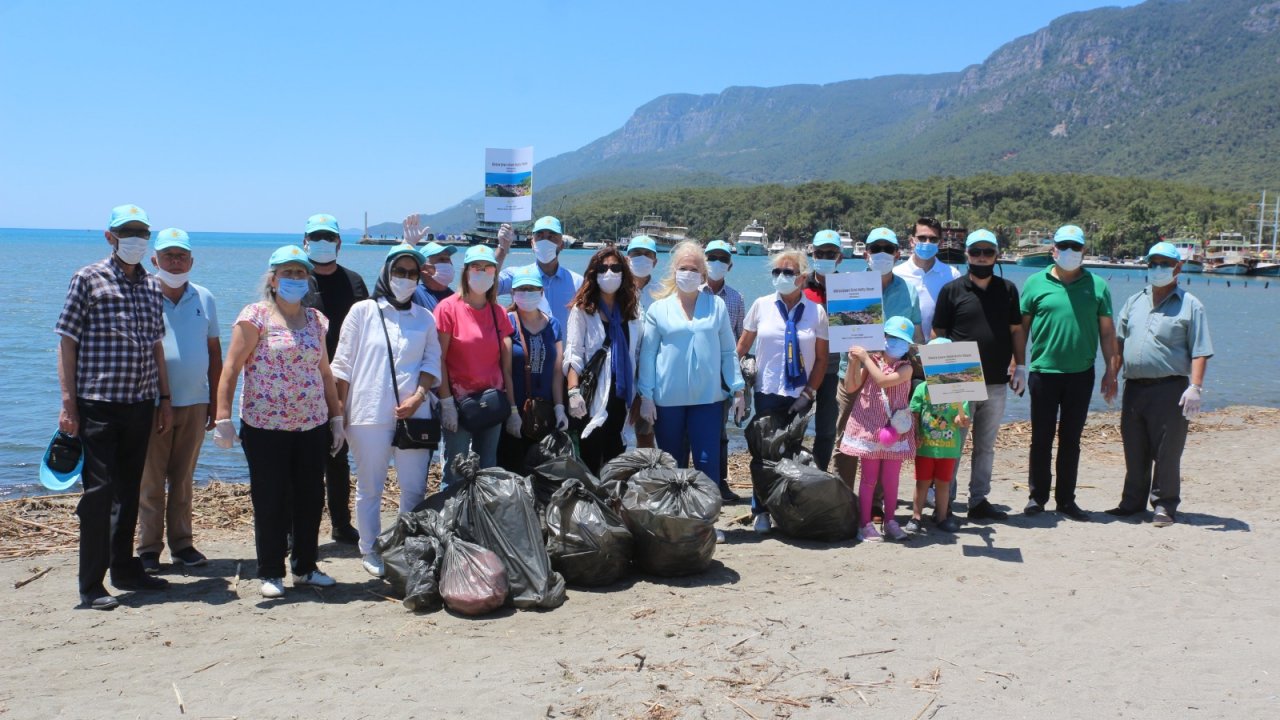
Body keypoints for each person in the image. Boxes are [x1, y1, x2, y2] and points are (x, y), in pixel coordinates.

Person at [56, 204, 173, 609]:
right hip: (98, 403)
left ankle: (125, 569)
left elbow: (157, 345)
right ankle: (91, 584)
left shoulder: (152, 286)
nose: (136, 237)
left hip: (140, 403)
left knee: (129, 489)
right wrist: (68, 403)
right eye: (128, 231)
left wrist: (165, 399)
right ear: (110, 236)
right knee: (99, 492)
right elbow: (67, 341)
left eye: (142, 231)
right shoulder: (88, 278)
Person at [214, 245, 344, 598]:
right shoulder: (255, 316)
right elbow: (231, 368)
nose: (295, 279)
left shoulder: (316, 320)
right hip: (264, 426)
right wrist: (222, 417)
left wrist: (336, 417)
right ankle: (270, 571)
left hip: (311, 424)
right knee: (271, 497)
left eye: (300, 273)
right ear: (273, 279)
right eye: (288, 273)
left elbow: (325, 371)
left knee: (310, 496)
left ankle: (305, 567)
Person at [330, 244, 442, 578]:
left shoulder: (424, 318)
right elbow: (343, 365)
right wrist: (339, 414)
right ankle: (371, 548)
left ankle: (406, 546)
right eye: (400, 272)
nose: (406, 279)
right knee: (370, 486)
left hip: (415, 415)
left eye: (412, 273)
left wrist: (419, 396)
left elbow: (431, 361)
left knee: (414, 488)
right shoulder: (362, 311)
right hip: (367, 414)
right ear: (386, 273)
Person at [1107, 241, 1213, 527]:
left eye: (1164, 264)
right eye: (1153, 263)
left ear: (1177, 268)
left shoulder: (1190, 305)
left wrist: (1196, 387)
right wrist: (1112, 375)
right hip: (1134, 387)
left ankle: (1164, 505)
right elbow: (1119, 341)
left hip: (1170, 389)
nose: (1158, 269)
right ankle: (1131, 502)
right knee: (1134, 447)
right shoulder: (1134, 301)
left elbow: (1201, 349)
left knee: (1167, 452)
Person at [1019, 224, 1119, 521]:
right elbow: (1021, 329)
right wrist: (1017, 363)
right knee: (1041, 438)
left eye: (1076, 247)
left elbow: (1107, 333)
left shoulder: (1098, 285)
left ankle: (1066, 500)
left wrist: (1111, 372)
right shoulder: (1035, 283)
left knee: (1071, 439)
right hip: (1042, 372)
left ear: (1084, 251)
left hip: (1081, 373)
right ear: (1054, 250)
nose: (1070, 252)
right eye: (1064, 247)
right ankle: (1037, 498)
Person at [137, 228, 221, 573]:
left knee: (183, 478)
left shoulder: (204, 298)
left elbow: (215, 354)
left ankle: (182, 545)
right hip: (151, 403)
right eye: (168, 256)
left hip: (195, 402)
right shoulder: (141, 295)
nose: (175, 261)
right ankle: (148, 549)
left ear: (191, 260)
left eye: (181, 255)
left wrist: (217, 401)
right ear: (154, 260)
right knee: (150, 480)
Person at [637, 241, 746, 503]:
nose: (688, 273)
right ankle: (676, 517)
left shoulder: (716, 307)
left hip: (708, 399)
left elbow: (728, 352)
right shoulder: (658, 309)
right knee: (672, 462)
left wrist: (738, 389)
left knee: (707, 461)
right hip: (667, 401)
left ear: (703, 275)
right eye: (683, 268)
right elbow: (648, 355)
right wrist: (646, 396)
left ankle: (707, 521)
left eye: (694, 269)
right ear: (674, 271)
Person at [931, 229, 1027, 522]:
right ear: (967, 255)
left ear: (997, 255)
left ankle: (979, 501)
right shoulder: (952, 290)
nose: (982, 257)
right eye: (976, 252)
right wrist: (936, 377)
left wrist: (1020, 365)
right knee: (952, 445)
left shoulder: (1008, 289)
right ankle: (946, 502)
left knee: (985, 447)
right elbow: (939, 333)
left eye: (988, 252)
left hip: (997, 381)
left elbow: (1016, 330)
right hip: (959, 380)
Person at [736, 250, 829, 532]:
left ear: (802, 277)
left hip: (800, 393)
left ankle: (786, 510)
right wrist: (737, 386)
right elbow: (741, 347)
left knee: (791, 454)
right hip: (767, 390)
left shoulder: (817, 312)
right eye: (776, 272)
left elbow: (822, 359)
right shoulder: (761, 305)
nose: (781, 277)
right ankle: (760, 510)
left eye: (787, 273)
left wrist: (809, 392)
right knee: (762, 453)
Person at [834, 228, 923, 511]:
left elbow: (917, 334)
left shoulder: (908, 289)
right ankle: (843, 504)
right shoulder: (847, 284)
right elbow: (839, 328)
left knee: (887, 443)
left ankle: (876, 506)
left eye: (888, 248)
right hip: (854, 372)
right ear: (866, 253)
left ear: (898, 254)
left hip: (891, 380)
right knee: (846, 442)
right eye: (876, 248)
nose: (882, 253)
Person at [301, 213, 369, 544]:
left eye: (329, 237)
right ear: (305, 242)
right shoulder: (298, 281)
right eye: (317, 237)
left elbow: (369, 331)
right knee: (300, 460)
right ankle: (295, 530)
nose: (323, 243)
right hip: (302, 383)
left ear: (339, 243)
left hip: (345, 381)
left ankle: (341, 523)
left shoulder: (355, 282)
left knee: (338, 456)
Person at [435, 245, 516, 488]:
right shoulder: (447, 308)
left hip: (492, 403)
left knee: (488, 469)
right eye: (476, 267)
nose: (482, 272)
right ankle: (450, 523)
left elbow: (506, 367)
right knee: (455, 471)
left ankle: (480, 523)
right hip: (460, 405)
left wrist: (512, 410)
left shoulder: (498, 312)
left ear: (494, 273)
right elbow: (439, 358)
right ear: (466, 272)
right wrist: (446, 402)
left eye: (487, 267)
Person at [837, 316, 917, 543]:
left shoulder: (906, 368)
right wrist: (855, 361)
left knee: (891, 479)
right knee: (869, 478)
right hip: (870, 428)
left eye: (901, 340)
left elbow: (883, 380)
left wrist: (865, 357)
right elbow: (851, 386)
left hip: (894, 430)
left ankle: (890, 520)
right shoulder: (871, 361)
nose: (896, 344)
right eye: (892, 338)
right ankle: (865, 524)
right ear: (883, 338)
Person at [564, 247, 642, 475]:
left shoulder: (632, 310)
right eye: (603, 268)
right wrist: (572, 391)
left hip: (621, 396)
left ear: (623, 272)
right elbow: (573, 353)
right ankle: (590, 506)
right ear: (594, 273)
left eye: (615, 267)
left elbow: (636, 354)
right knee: (590, 455)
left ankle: (612, 505)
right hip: (592, 397)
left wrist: (640, 395)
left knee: (616, 458)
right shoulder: (583, 310)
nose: (609, 273)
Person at [498, 268, 569, 473]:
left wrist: (559, 407)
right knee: (513, 470)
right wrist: (512, 411)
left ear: (541, 292)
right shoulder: (508, 321)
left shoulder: (553, 324)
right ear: (513, 293)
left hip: (544, 413)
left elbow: (557, 371)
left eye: (532, 289)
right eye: (522, 289)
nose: (527, 293)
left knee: (543, 473)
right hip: (516, 413)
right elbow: (506, 371)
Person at [907, 339, 969, 535]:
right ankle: (916, 517)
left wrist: (962, 418)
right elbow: (915, 413)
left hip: (949, 447)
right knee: (922, 482)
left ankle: (942, 516)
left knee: (944, 483)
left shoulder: (959, 390)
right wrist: (915, 435)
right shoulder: (921, 388)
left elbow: (962, 421)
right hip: (925, 445)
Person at [702, 239, 747, 502]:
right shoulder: (693, 292)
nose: (717, 262)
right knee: (690, 431)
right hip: (695, 371)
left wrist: (736, 379)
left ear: (730, 265)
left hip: (722, 375)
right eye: (712, 257)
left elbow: (741, 338)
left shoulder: (736, 298)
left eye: (722, 258)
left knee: (719, 432)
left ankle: (721, 482)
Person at [801, 230, 846, 473]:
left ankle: (819, 473)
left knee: (827, 429)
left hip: (834, 369)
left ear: (840, 257)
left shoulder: (851, 287)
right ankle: (795, 474)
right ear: (812, 254)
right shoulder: (799, 285)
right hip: (802, 367)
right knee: (795, 424)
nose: (825, 257)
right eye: (820, 253)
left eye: (831, 253)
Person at [496, 216, 583, 329]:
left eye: (551, 237)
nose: (545, 241)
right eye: (540, 236)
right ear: (532, 243)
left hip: (564, 347)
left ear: (561, 245)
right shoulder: (516, 276)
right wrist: (502, 248)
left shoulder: (577, 282)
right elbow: (487, 288)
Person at [893, 217, 961, 340]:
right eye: (922, 238)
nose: (927, 242)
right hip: (902, 351)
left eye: (933, 239)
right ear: (912, 241)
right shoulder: (896, 274)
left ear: (940, 243)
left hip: (939, 351)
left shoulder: (952, 275)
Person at [404, 214, 458, 311]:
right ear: (424, 268)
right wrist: (406, 245)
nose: (449, 264)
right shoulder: (412, 294)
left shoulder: (457, 299)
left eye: (449, 259)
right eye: (442, 259)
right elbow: (388, 283)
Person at [628, 235, 662, 311]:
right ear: (627, 260)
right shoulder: (617, 291)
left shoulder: (663, 292)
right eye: (637, 253)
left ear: (655, 262)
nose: (642, 258)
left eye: (647, 254)